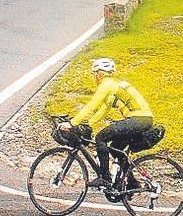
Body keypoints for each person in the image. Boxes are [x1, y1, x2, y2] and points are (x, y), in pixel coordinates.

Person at [60, 57, 154, 189]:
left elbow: (91, 106)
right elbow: (102, 111)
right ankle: (133, 183)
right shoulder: (113, 87)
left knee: (101, 138)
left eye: (95, 74)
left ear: (100, 73)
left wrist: (71, 123)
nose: (95, 77)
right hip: (142, 120)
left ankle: (104, 178)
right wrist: (88, 124)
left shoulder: (107, 84)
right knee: (116, 149)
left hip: (139, 119)